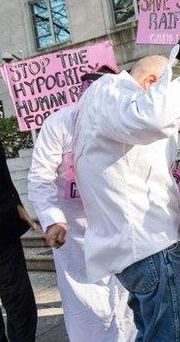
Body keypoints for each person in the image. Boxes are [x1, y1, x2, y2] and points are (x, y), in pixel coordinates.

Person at [72, 29, 180, 341]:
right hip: (147, 245)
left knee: (153, 332)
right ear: (150, 84)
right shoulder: (112, 91)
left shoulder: (107, 106)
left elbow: (177, 116)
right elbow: (158, 114)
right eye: (162, 85)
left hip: (136, 247)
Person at [27, 66, 138, 341]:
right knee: (86, 307)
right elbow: (40, 177)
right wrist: (52, 219)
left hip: (119, 228)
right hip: (75, 236)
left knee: (126, 302)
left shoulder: (123, 121)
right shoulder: (59, 124)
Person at [0, 137, 38, 342]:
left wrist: (17, 207)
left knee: (16, 295)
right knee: (16, 294)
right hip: (2, 223)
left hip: (2, 225)